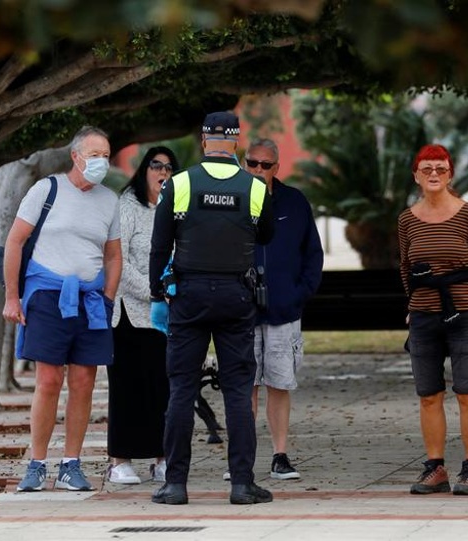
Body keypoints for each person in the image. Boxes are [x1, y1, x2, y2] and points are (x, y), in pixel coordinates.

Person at [149, 111, 275, 505]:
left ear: (204, 142)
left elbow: (159, 245)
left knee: (181, 389)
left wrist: (160, 291)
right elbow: (267, 234)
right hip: (237, 295)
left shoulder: (180, 183)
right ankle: (241, 484)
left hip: (189, 293)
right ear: (236, 143)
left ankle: (174, 485)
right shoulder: (255, 187)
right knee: (238, 391)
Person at [2, 126, 122, 492]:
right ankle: (36, 463)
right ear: (76, 156)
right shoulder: (47, 190)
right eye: (94, 154)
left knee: (84, 382)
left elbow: (113, 254)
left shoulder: (109, 200)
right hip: (47, 296)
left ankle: (71, 463)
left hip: (89, 300)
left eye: (106, 154)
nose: (101, 161)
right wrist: (12, 296)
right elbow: (15, 241)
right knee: (49, 380)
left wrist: (107, 296)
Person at [397, 144, 468, 497]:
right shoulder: (407, 218)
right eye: (427, 169)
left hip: (466, 312)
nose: (434, 174)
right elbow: (405, 267)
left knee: (467, 391)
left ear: (450, 174)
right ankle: (435, 467)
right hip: (424, 314)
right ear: (416, 176)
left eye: (440, 168)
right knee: (428, 394)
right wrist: (412, 301)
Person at [242, 138, 323, 481]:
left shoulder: (294, 201)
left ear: (277, 167)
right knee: (245, 386)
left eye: (265, 165)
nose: (258, 170)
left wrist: (298, 294)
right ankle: (242, 459)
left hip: (283, 310)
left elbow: (313, 254)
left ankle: (280, 455)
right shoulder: (233, 201)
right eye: (252, 163)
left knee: (279, 382)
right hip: (240, 311)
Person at [106, 147, 179, 485]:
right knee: (127, 389)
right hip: (130, 317)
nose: (161, 172)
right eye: (155, 165)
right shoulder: (127, 206)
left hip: (165, 318)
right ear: (144, 170)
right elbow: (119, 262)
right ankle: (120, 459)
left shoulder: (177, 209)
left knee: (162, 389)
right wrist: (153, 291)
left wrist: (170, 291)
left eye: (168, 167)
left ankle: (162, 458)